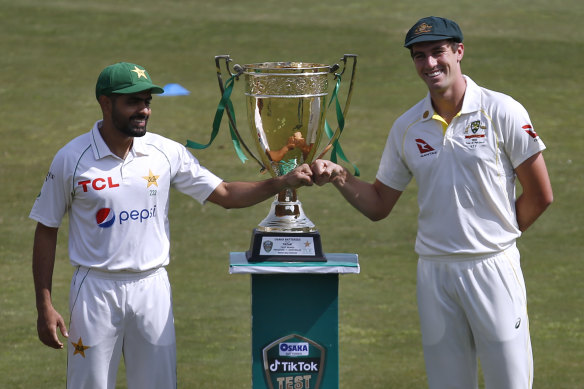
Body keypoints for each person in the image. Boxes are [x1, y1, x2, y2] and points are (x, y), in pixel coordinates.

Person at [30, 62, 313, 389]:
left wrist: (282, 182)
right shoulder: (71, 158)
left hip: (152, 288)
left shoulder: (164, 152)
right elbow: (46, 228)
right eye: (133, 102)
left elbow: (223, 193)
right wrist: (44, 305)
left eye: (147, 101)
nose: (144, 110)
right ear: (105, 103)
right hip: (95, 290)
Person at [311, 16, 553, 389]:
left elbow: (540, 195)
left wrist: (493, 238)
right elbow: (378, 204)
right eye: (419, 56)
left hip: (492, 268)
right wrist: (340, 177)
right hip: (434, 273)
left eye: (437, 52)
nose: (429, 64)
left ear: (458, 52)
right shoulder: (407, 126)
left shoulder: (502, 110)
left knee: (510, 382)